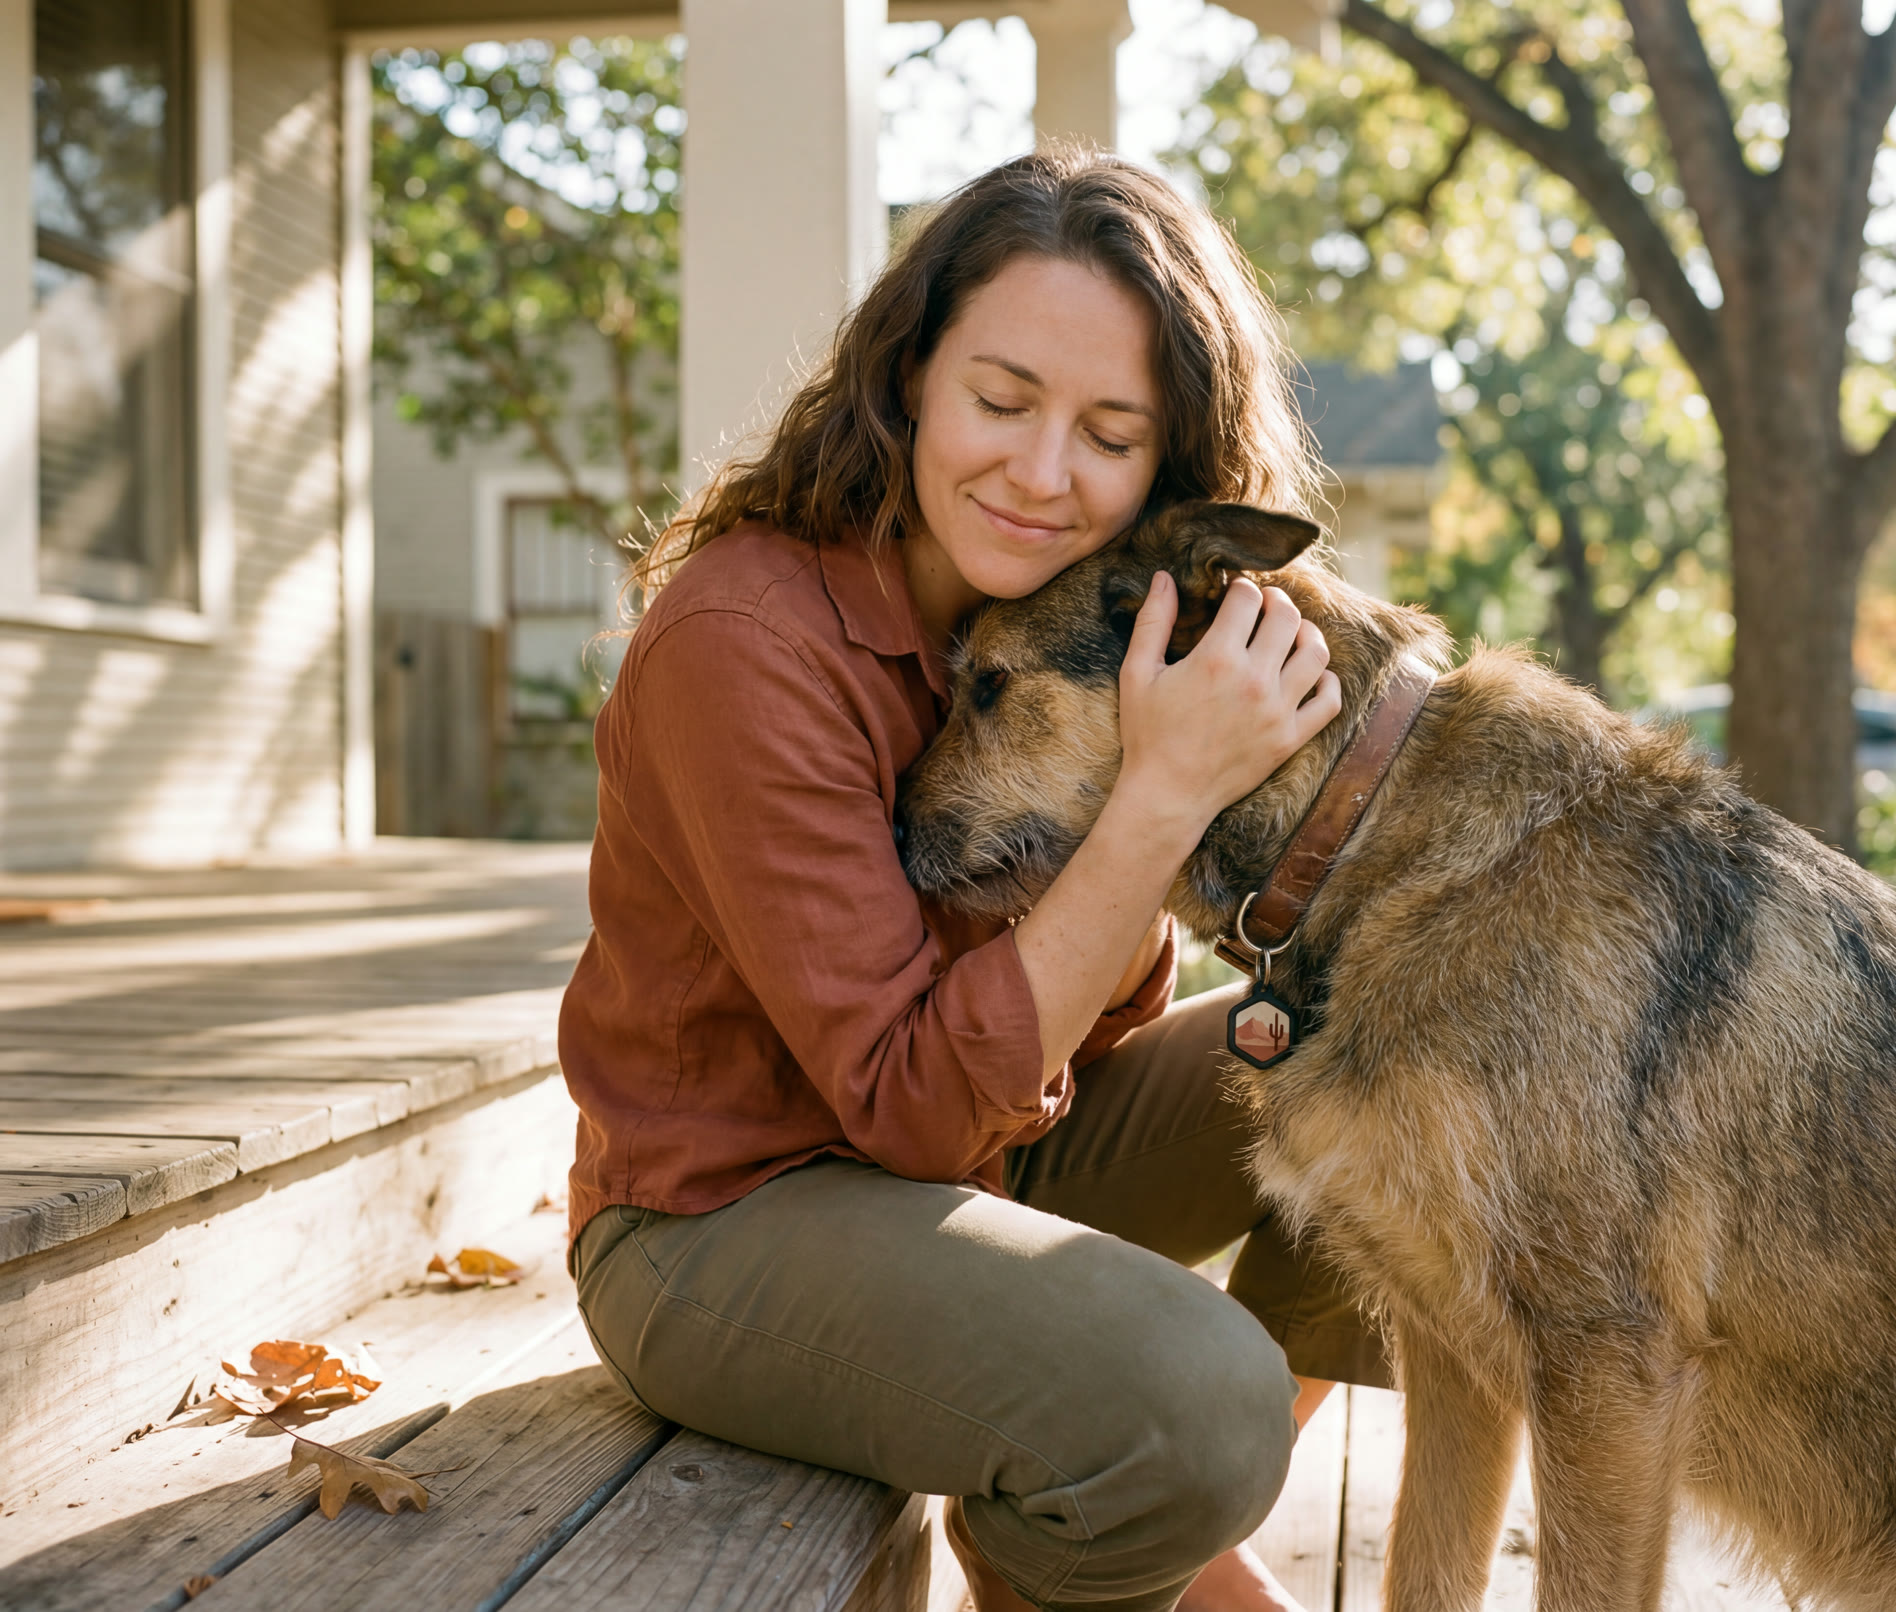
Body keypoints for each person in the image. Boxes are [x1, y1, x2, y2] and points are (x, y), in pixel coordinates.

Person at [559, 148, 1390, 1612]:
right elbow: (911, 1104)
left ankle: (1090, 1532)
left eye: (1111, 433)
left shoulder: (1083, 626)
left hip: (988, 1145)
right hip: (724, 1225)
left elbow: (1100, 1029)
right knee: (1196, 1399)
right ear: (910, 376)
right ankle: (1124, 1501)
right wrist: (1160, 793)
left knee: (1372, 1050)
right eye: (1002, 402)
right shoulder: (742, 643)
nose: (1042, 473)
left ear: (1165, 466)